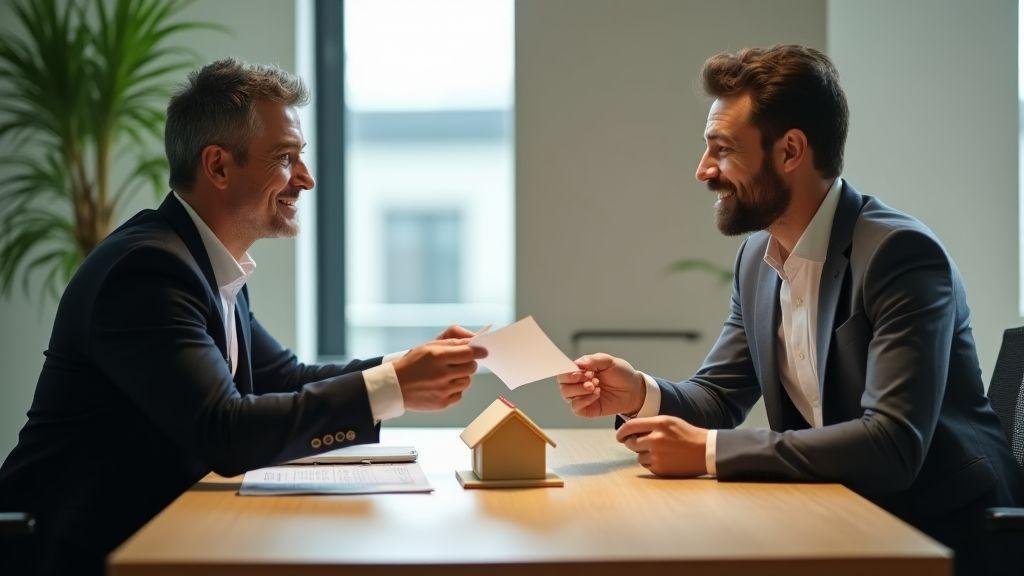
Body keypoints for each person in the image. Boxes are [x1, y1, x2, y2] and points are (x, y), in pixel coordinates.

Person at [0, 59, 486, 575]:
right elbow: (224, 432)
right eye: (285, 158)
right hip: (65, 554)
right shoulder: (148, 272)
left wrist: (408, 365)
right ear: (218, 167)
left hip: (151, 537)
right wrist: (393, 386)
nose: (306, 178)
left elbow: (286, 379)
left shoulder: (205, 263)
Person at [557, 45, 1021, 575]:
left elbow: (893, 443)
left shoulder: (899, 255)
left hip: (943, 534)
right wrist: (640, 392)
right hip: (838, 517)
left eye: (723, 149)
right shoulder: (758, 257)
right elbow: (718, 395)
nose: (704, 170)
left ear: (791, 151)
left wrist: (711, 451)